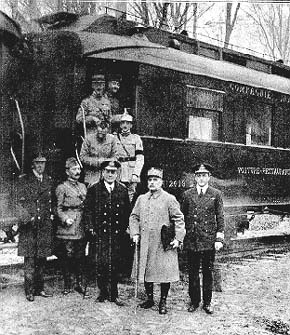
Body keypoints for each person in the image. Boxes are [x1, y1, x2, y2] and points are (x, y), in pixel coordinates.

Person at [129, 168, 185, 315]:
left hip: (162, 243)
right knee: (147, 271)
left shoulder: (169, 198)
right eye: (150, 180)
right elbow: (134, 217)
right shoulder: (141, 198)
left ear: (161, 182)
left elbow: (179, 219)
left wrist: (178, 238)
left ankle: (163, 301)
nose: (152, 183)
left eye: (155, 180)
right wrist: (134, 232)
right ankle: (149, 299)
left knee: (163, 273)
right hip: (146, 243)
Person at [83, 159, 131, 306]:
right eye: (108, 172)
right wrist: (90, 227)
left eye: (113, 172)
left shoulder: (122, 190)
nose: (110, 174)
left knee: (115, 263)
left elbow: (127, 212)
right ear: (103, 172)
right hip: (100, 233)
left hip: (116, 234)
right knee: (101, 263)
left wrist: (127, 228)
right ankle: (102, 292)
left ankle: (114, 294)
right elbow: (88, 211)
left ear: (117, 173)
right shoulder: (94, 189)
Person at [181, 163, 224, 315]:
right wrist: (181, 237)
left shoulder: (216, 194)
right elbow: (182, 217)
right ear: (195, 177)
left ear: (208, 177)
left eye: (204, 175)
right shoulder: (187, 194)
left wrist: (219, 239)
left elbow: (220, 217)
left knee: (208, 272)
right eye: (198, 175)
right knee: (192, 272)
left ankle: (207, 302)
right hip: (192, 238)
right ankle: (194, 301)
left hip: (208, 239)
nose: (201, 178)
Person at [15, 154, 54, 302]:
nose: (40, 166)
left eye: (43, 163)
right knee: (30, 260)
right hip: (29, 226)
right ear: (33, 165)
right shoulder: (24, 180)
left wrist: (51, 216)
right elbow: (17, 203)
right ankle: (29, 291)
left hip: (43, 225)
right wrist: (27, 218)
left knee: (42, 259)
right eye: (37, 163)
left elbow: (51, 203)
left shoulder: (48, 180)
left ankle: (40, 289)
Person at [55, 157, 90, 298]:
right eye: (74, 169)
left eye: (79, 169)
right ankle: (68, 284)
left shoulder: (83, 186)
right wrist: (65, 218)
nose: (77, 172)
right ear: (67, 171)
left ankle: (79, 284)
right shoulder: (61, 187)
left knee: (80, 256)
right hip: (68, 227)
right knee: (68, 256)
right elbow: (58, 208)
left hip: (81, 224)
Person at [116, 110, 144, 202]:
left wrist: (136, 174)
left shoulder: (136, 138)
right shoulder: (114, 137)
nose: (125, 125)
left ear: (131, 125)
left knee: (129, 198)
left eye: (128, 123)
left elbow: (140, 158)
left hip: (130, 172)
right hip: (118, 172)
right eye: (123, 123)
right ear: (120, 125)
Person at [79, 122, 117, 186]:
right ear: (96, 129)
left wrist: (105, 162)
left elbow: (115, 156)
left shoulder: (112, 139)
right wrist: (96, 161)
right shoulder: (89, 139)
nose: (101, 134)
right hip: (92, 175)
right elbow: (82, 157)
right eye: (99, 132)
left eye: (103, 133)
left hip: (108, 174)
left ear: (107, 131)